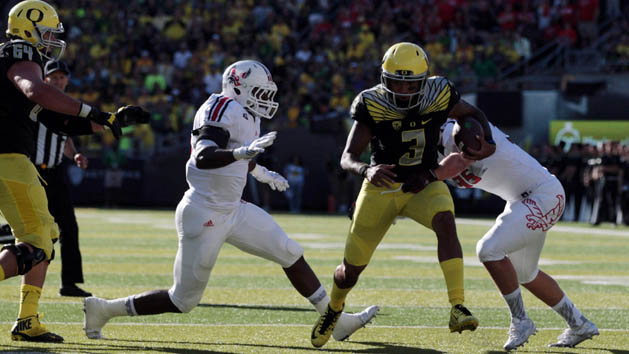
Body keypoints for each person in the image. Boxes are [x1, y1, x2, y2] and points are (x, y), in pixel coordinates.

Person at [83, 60, 379, 342]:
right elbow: (203, 156)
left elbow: (240, 156)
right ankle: (104, 309)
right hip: (204, 211)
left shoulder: (247, 113)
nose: (265, 99)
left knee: (289, 251)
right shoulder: (221, 107)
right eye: (260, 92)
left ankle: (335, 321)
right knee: (183, 300)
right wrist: (241, 154)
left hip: (233, 209)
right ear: (238, 86)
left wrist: (261, 172)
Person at [311, 42, 497, 348]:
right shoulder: (371, 103)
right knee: (349, 272)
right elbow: (348, 156)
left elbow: (471, 113)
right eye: (396, 81)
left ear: (424, 81)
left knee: (446, 222)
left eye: (410, 83)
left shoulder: (440, 93)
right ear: (384, 79)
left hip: (423, 181)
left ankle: (457, 305)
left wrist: (485, 140)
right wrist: (366, 171)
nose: (402, 89)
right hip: (381, 187)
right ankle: (334, 308)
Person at [0, 0, 148, 342]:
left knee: (46, 236)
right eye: (48, 33)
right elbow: (35, 90)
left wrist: (106, 120)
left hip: (9, 157)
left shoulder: (14, 58)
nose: (51, 40)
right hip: (8, 159)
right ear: (28, 28)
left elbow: (54, 119)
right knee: (38, 242)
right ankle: (26, 320)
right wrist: (92, 110)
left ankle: (27, 319)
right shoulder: (19, 51)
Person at [434, 119, 599, 350]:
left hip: (542, 195)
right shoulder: (433, 148)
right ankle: (580, 324)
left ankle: (521, 321)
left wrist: (432, 173)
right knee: (524, 272)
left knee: (488, 250)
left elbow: (458, 161)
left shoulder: (458, 131)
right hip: (522, 199)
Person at [39, 60, 94, 297]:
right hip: (33, 172)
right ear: (45, 79)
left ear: (67, 80)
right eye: (54, 77)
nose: (58, 81)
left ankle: (69, 283)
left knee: (69, 228)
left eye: (62, 77)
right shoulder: (35, 102)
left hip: (56, 172)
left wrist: (75, 154)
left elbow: (64, 138)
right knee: (33, 230)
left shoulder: (67, 106)